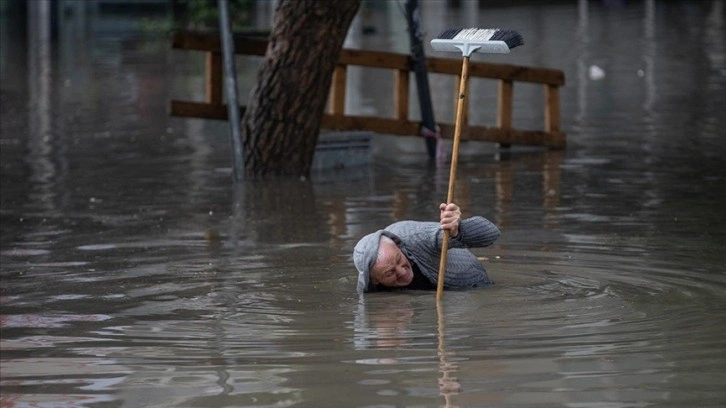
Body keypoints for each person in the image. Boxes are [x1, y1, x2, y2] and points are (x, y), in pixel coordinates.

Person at [353, 202, 500, 293]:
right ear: (374, 280)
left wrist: (459, 230)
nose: (402, 271)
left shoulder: (416, 236)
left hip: (472, 284)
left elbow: (493, 234)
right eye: (389, 273)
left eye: (398, 259)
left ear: (398, 246)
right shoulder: (369, 286)